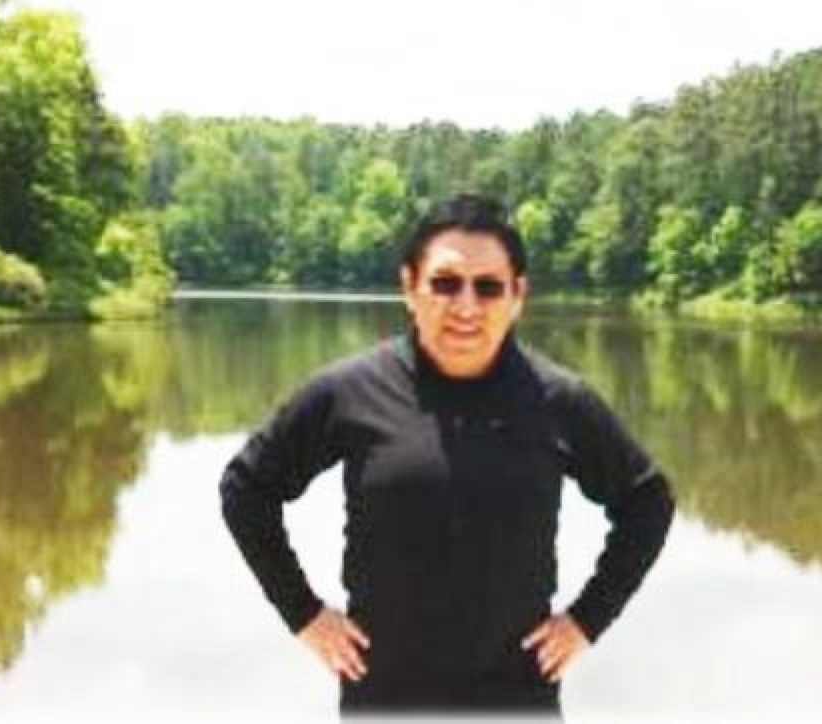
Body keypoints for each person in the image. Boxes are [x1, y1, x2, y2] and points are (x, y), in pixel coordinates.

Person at [219, 193, 675, 720]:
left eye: (488, 287)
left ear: (518, 295)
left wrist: (587, 620)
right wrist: (304, 615)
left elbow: (648, 501)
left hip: (516, 701)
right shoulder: (350, 392)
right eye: (445, 283)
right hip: (385, 700)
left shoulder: (559, 401)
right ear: (409, 286)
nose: (466, 306)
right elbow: (246, 489)